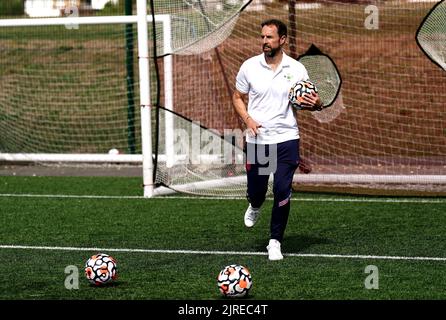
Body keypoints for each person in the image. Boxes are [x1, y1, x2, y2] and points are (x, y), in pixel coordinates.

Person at [232, 19, 322, 261]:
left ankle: (275, 242)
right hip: (258, 140)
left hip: (287, 139)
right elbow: (237, 97)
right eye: (262, 37)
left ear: (282, 39)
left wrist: (317, 105)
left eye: (269, 37)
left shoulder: (297, 69)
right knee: (257, 191)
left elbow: (310, 100)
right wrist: (248, 120)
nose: (264, 41)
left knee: (283, 190)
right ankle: (255, 204)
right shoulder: (249, 66)